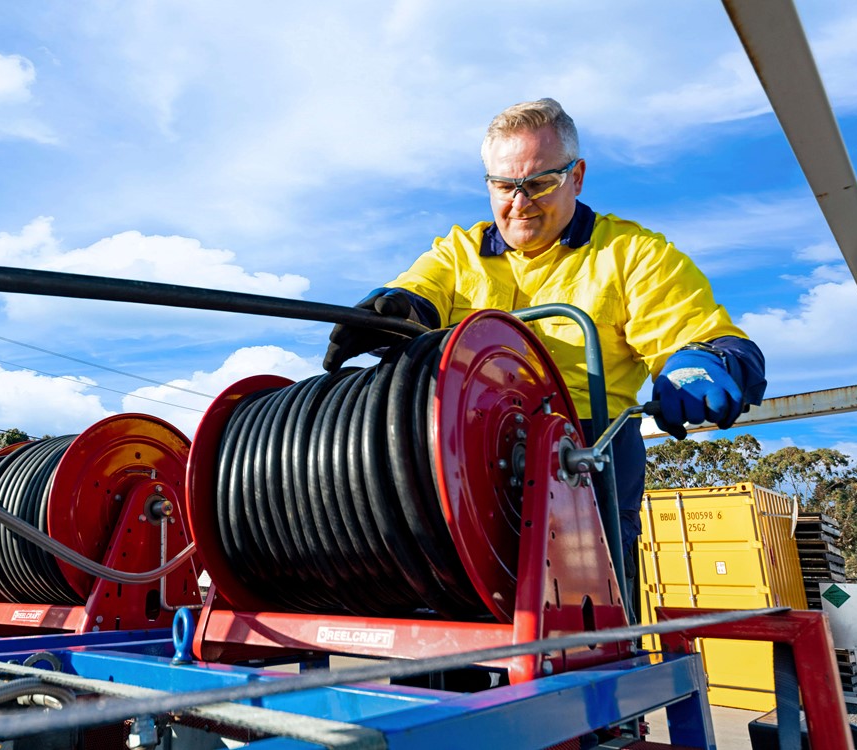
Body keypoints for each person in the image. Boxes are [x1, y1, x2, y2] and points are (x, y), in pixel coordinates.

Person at [322, 97, 766, 603]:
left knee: (588, 628)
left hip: (584, 455)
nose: (520, 202)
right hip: (463, 460)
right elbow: (419, 292)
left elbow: (701, 333)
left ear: (576, 177)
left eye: (538, 184)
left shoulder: (632, 256)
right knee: (442, 610)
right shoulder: (457, 253)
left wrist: (704, 361)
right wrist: (397, 311)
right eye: (504, 186)